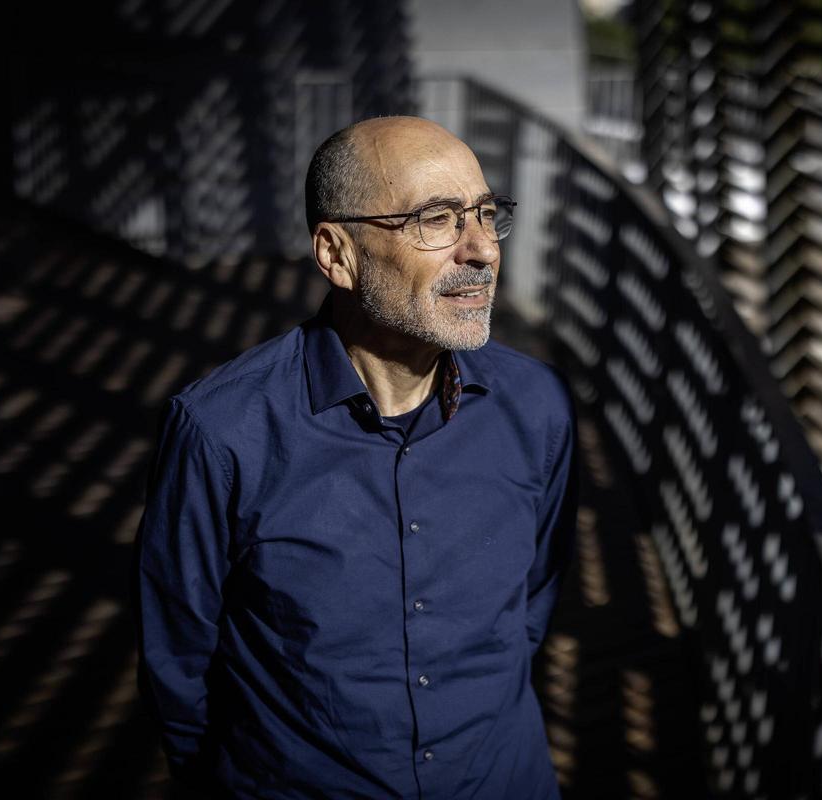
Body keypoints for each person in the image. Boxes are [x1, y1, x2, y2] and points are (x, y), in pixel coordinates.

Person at [132, 116, 578, 799]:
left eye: (487, 215)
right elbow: (177, 662)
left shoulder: (537, 404)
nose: (483, 250)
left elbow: (533, 603)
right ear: (337, 254)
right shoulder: (221, 432)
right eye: (438, 219)